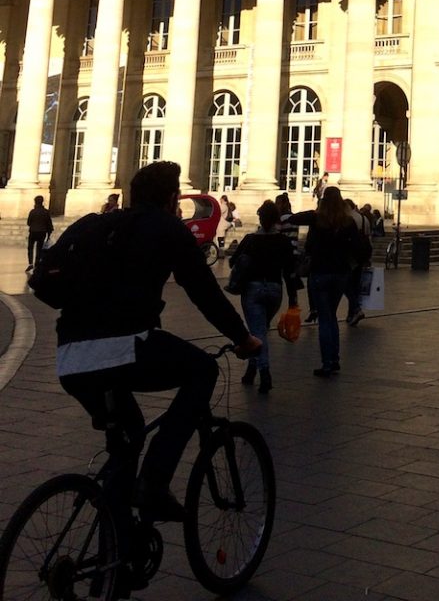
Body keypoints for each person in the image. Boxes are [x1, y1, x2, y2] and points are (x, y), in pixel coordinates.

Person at [55, 160, 258, 522]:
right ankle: (154, 482)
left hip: (69, 357)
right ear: (171, 198)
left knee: (128, 436)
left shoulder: (98, 225)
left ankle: (115, 551)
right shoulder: (165, 227)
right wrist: (242, 337)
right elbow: (203, 291)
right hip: (123, 347)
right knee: (203, 371)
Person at [289, 185, 361, 377]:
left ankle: (328, 362)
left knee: (325, 319)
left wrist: (315, 210)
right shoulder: (348, 222)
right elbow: (358, 247)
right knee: (332, 317)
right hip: (340, 274)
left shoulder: (317, 218)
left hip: (320, 272)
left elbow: (293, 218)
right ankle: (334, 359)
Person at [229, 200, 299, 394]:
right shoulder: (283, 242)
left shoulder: (250, 239)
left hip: (253, 290)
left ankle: (265, 373)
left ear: (260, 217)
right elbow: (290, 272)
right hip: (275, 290)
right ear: (277, 220)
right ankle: (251, 371)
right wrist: (293, 298)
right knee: (260, 329)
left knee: (258, 332)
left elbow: (232, 261)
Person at [343, 198, 373, 327]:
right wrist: (367, 257)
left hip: (349, 257)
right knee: (355, 285)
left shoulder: (347, 219)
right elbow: (368, 238)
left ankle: (355, 309)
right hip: (360, 256)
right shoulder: (363, 218)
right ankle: (351, 314)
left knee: (345, 284)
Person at [26, 194, 53, 271]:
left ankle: (30, 263)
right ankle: (37, 263)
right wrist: (49, 233)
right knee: (39, 248)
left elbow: (28, 222)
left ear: (35, 202)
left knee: (30, 248)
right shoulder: (46, 212)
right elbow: (49, 223)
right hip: (42, 232)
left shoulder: (32, 211)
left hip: (33, 231)